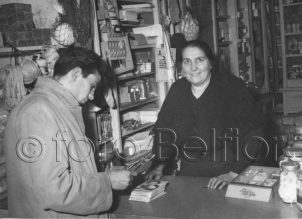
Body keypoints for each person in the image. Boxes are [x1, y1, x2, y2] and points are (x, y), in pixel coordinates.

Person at [4, 47, 135, 218]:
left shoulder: (57, 108)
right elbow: (53, 190)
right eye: (92, 86)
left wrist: (106, 176)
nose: (91, 95)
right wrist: (107, 182)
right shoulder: (37, 111)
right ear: (75, 74)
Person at [147, 40, 265, 189]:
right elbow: (164, 129)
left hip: (229, 168)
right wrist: (159, 163)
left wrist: (233, 173)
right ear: (181, 66)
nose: (193, 67)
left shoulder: (231, 87)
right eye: (187, 61)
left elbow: (254, 134)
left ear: (211, 63)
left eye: (199, 60)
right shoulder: (178, 89)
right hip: (191, 170)